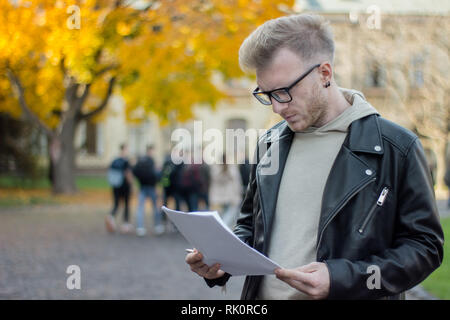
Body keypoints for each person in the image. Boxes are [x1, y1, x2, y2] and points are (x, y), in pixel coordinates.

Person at [185, 14, 444, 300]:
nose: (276, 108)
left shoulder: (398, 147)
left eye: (284, 92)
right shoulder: (269, 143)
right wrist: (221, 263)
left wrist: (343, 278)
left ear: (324, 73)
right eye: (266, 94)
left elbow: (425, 248)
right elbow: (250, 226)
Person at [133, 145, 163, 236]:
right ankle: (157, 226)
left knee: (140, 208)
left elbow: (134, 171)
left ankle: (140, 227)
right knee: (155, 207)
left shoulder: (140, 161)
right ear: (151, 151)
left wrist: (138, 183)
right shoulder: (152, 162)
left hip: (142, 187)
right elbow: (156, 175)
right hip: (151, 187)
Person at [209, 153, 243, 229]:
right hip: (226, 198)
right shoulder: (227, 168)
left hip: (224, 198)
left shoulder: (217, 169)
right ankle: (223, 233)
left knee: (224, 219)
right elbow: (237, 182)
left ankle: (222, 232)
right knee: (225, 220)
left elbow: (237, 182)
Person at [106, 143, 134, 234]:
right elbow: (128, 174)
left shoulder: (115, 160)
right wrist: (132, 185)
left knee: (116, 204)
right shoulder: (126, 161)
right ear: (124, 149)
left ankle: (111, 216)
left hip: (115, 186)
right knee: (126, 204)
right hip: (125, 186)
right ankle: (125, 224)